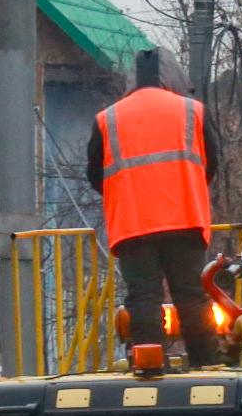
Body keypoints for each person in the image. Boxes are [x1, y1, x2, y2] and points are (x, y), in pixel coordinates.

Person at [86, 48, 224, 368]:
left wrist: (127, 195)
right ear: (174, 78)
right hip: (185, 219)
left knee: (143, 297)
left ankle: (149, 365)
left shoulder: (108, 119)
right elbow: (210, 164)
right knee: (190, 296)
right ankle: (206, 365)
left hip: (133, 224)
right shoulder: (192, 111)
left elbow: (95, 173)